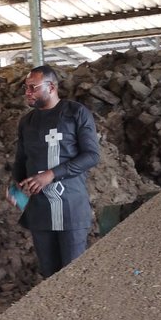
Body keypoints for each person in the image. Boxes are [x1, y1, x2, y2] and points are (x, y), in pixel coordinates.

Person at [12, 64, 100, 278]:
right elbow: (21, 160)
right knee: (49, 277)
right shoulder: (27, 122)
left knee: (72, 276)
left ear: (51, 87)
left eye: (33, 87)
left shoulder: (76, 113)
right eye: (26, 88)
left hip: (70, 209)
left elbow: (91, 156)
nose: (28, 93)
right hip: (41, 212)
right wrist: (17, 186)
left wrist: (51, 174)